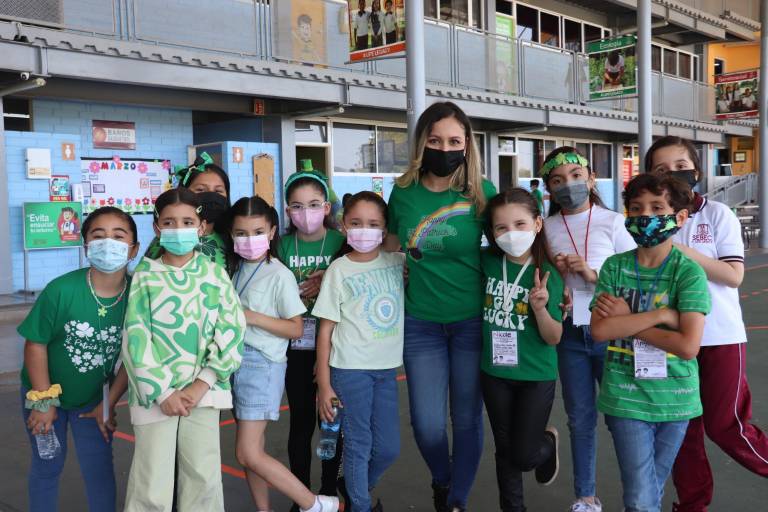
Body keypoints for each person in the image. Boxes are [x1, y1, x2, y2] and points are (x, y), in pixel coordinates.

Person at [384, 101, 497, 512]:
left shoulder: (481, 193)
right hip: (422, 325)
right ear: (421, 143)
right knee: (427, 424)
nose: (444, 148)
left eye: (454, 141)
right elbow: (388, 251)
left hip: (471, 321)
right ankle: (443, 480)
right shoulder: (402, 193)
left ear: (467, 146)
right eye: (435, 140)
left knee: (466, 420)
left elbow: (512, 244)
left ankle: (456, 502)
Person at [645, 136, 768, 512]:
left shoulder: (717, 215)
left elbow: (733, 276)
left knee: (725, 425)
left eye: (680, 166)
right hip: (672, 341)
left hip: (719, 337)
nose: (672, 175)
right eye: (661, 170)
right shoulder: (648, 220)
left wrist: (678, 248)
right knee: (683, 432)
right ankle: (692, 504)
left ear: (696, 170)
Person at [590, 173, 710, 512]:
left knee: (650, 492)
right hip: (625, 397)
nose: (646, 216)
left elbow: (688, 345)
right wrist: (660, 316)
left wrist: (626, 321)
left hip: (677, 400)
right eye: (637, 208)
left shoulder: (688, 273)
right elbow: (600, 330)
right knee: (640, 498)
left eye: (658, 207)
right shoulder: (614, 268)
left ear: (680, 217)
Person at [122, 188, 246, 511]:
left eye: (187, 221)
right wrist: (164, 393)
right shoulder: (145, 276)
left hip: (203, 394)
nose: (178, 228)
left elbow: (232, 330)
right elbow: (136, 337)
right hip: (154, 396)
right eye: (169, 221)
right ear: (157, 227)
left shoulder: (215, 274)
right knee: (151, 480)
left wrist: (201, 383)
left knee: (202, 476)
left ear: (201, 226)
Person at [19, 206, 138, 512]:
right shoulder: (61, 290)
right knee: (48, 465)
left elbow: (132, 356)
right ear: (86, 246)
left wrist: (108, 403)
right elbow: (35, 344)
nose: (108, 242)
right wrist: (43, 401)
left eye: (118, 235)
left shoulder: (139, 295)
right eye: (98, 235)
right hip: (43, 392)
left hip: (93, 400)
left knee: (98, 469)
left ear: (134, 248)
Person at [229, 196, 339, 512]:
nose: (249, 240)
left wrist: (251, 316)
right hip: (237, 364)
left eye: (257, 231)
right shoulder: (236, 269)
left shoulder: (278, 273)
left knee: (247, 453)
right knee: (252, 449)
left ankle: (314, 504)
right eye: (241, 233)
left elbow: (294, 328)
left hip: (261, 365)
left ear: (273, 230)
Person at [542, 147, 636, 512]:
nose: (569, 185)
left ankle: (638, 497)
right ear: (549, 189)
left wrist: (594, 276)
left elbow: (634, 279)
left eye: (576, 176)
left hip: (609, 331)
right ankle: (585, 497)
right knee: (580, 419)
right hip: (569, 334)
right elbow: (543, 277)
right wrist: (558, 277)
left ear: (591, 179)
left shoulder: (613, 222)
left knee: (621, 419)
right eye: (558, 180)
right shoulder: (546, 228)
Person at [315, 191, 405, 512]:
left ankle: (355, 487)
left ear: (385, 229)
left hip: (385, 371)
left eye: (373, 224)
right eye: (356, 223)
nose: (364, 230)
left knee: (388, 449)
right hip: (349, 370)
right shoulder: (338, 270)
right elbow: (325, 330)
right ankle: (360, 506)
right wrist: (324, 385)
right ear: (344, 225)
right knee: (357, 444)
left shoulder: (397, 264)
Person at [481, 188, 564, 512]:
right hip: (494, 372)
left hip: (535, 375)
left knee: (524, 455)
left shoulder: (547, 273)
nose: (511, 233)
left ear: (538, 224)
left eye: (519, 224)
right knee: (504, 451)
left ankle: (546, 443)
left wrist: (541, 309)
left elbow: (554, 337)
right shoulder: (486, 261)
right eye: (501, 228)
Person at [278, 169, 347, 509]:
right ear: (288, 210)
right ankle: (302, 494)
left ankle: (329, 490)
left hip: (335, 346)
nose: (305, 212)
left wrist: (330, 279)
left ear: (327, 207)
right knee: (301, 423)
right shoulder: (280, 245)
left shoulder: (340, 243)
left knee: (331, 424)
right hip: (295, 346)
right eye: (297, 205)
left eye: (314, 204)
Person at [145, 152, 233, 271]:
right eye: (200, 189)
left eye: (218, 191)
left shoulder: (231, 240)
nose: (211, 196)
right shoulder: (169, 241)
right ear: (184, 193)